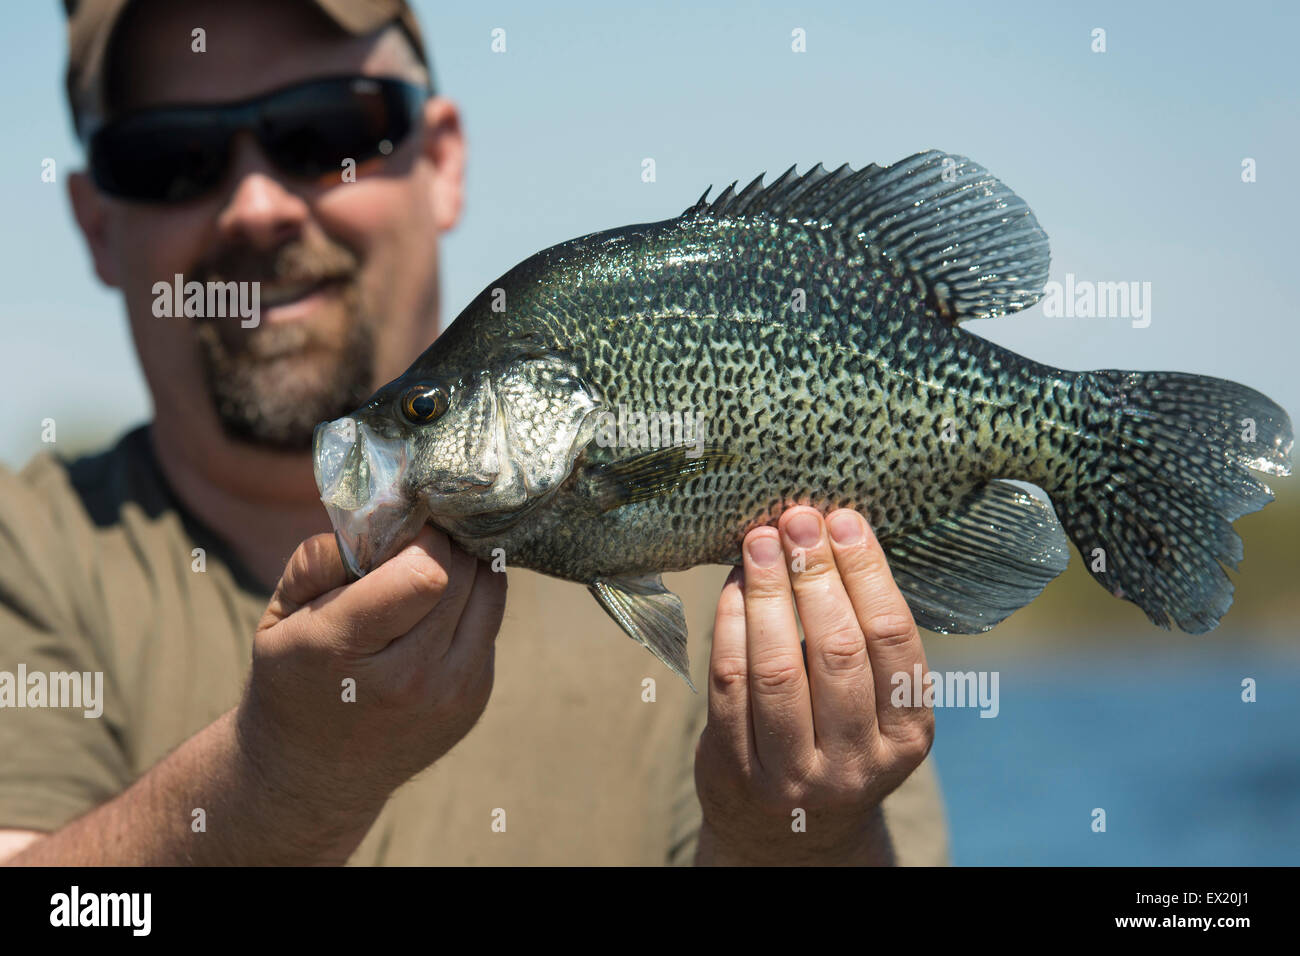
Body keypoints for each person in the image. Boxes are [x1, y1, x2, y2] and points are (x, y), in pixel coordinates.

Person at [0, 0, 950, 865]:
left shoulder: (745, 581)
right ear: (93, 223)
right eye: (169, 158)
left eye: (328, 132)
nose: (259, 207)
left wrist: (787, 836)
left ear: (445, 160)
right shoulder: (26, 553)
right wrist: (278, 781)